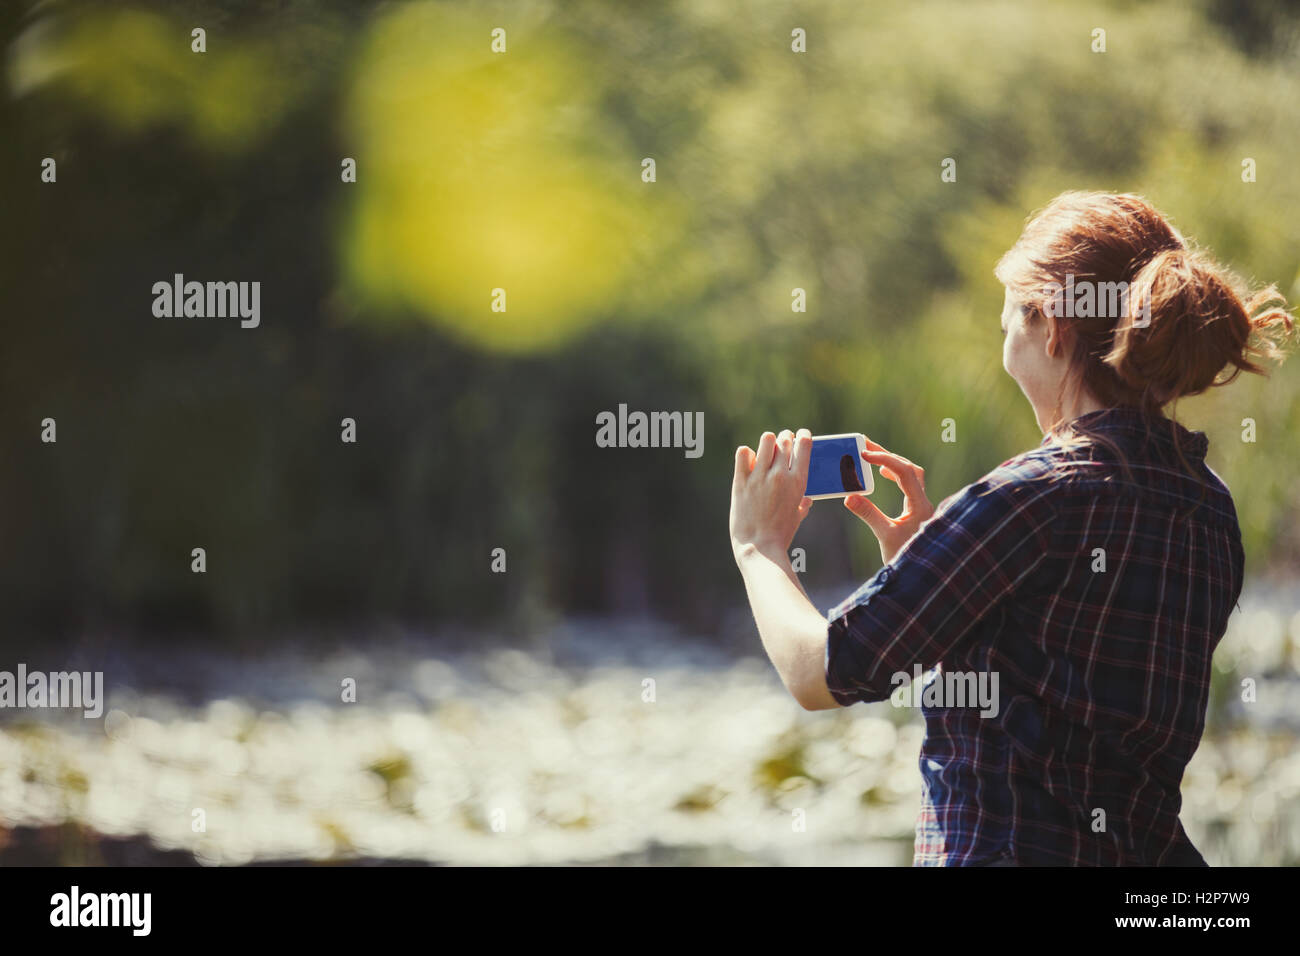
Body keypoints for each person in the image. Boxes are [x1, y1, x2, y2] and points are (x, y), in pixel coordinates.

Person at [728, 191, 1294, 866]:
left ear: (1050, 326)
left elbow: (822, 674)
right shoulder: (1207, 507)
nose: (1005, 343)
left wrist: (759, 547)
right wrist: (934, 573)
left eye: (1008, 325)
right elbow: (1075, 691)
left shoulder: (1035, 495)